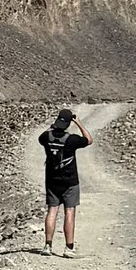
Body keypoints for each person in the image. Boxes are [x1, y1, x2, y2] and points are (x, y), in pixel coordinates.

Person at [39, 106, 90, 252]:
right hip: (70, 181)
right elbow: (88, 140)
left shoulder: (45, 137)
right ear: (68, 123)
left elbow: (43, 136)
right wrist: (78, 123)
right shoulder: (72, 140)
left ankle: (48, 245)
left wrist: (53, 127)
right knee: (69, 212)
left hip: (52, 180)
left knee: (52, 211)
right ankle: (69, 247)